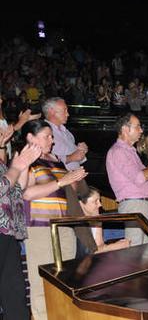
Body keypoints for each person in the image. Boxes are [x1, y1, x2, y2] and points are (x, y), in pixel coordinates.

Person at [19, 119, 88, 320]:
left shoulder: (57, 158)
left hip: (63, 225)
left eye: (51, 135)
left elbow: (65, 190)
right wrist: (62, 181)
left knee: (64, 278)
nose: (52, 140)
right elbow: (25, 193)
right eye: (46, 136)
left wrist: (73, 180)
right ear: (30, 137)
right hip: (39, 227)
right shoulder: (27, 160)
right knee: (41, 278)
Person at [106, 113, 148, 246]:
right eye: (138, 127)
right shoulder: (119, 151)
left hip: (140, 205)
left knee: (146, 250)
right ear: (126, 129)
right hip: (134, 205)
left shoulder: (130, 151)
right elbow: (139, 177)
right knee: (135, 250)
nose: (141, 130)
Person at [0, 126, 41, 320]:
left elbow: (16, 190)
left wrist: (23, 167)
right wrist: (16, 168)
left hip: (7, 233)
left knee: (15, 295)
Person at [76, 187, 130, 253]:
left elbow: (100, 246)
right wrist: (115, 246)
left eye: (99, 201)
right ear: (81, 204)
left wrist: (116, 246)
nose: (100, 205)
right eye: (95, 201)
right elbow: (88, 252)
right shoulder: (76, 222)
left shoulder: (96, 218)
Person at [43, 97, 89, 171]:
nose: (67, 114)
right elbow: (41, 158)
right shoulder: (42, 131)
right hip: (59, 179)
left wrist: (81, 151)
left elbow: (76, 158)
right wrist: (70, 158)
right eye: (64, 110)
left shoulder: (66, 131)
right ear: (52, 111)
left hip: (75, 176)